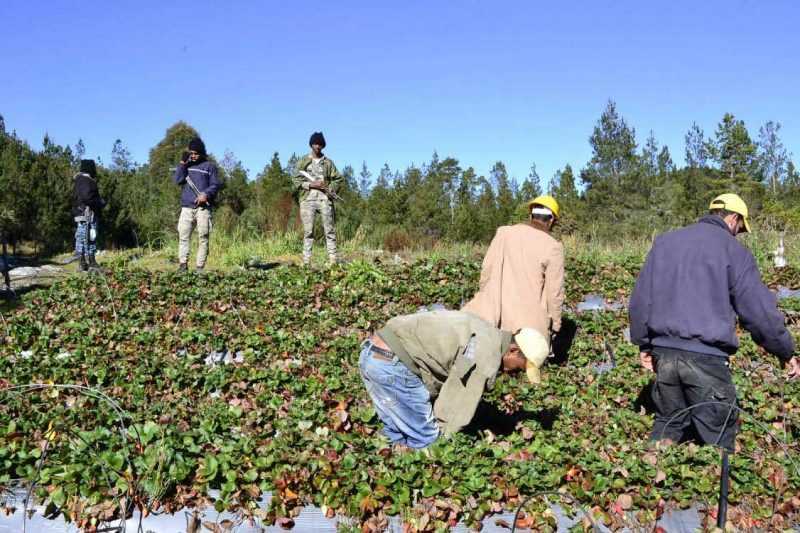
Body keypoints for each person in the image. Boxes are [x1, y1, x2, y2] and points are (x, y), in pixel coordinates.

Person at [629, 193, 800, 451]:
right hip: (706, 359)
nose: (738, 234)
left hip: (663, 355)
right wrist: (784, 350)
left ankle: (651, 482)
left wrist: (643, 344)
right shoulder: (734, 251)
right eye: (740, 228)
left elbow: (641, 298)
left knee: (669, 422)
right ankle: (714, 486)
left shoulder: (665, 242)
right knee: (718, 435)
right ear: (733, 218)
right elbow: (758, 310)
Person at [359, 309, 549, 449]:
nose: (515, 374)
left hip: (372, 354)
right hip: (394, 367)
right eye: (520, 368)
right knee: (428, 443)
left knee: (397, 435)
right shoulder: (487, 356)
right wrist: (444, 445)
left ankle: (391, 467)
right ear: (513, 351)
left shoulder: (484, 329)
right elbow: (454, 411)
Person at [462, 195, 565, 383]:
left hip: (494, 318)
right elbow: (554, 293)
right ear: (551, 220)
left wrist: (488, 299)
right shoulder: (553, 247)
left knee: (489, 371)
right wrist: (556, 325)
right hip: (528, 329)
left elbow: (487, 271)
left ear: (531, 214)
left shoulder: (503, 233)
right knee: (525, 376)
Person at [292, 132, 343, 266]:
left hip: (325, 200)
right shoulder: (303, 161)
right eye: (315, 143)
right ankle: (306, 261)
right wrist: (311, 184)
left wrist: (331, 188)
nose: (318, 146)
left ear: (323, 145)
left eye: (320, 144)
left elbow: (338, 179)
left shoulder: (328, 163)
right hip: (307, 201)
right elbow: (296, 180)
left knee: (329, 230)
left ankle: (333, 260)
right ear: (311, 144)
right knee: (308, 232)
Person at [174, 137, 221, 272]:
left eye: (195, 153)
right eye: (191, 153)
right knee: (183, 236)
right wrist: (182, 163)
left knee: (203, 237)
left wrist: (205, 194)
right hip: (186, 207)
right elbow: (177, 180)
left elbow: (215, 185)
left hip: (203, 209)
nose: (193, 156)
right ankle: (183, 265)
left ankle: (200, 268)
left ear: (201, 153)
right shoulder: (186, 166)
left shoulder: (209, 167)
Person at [72, 159, 105, 272]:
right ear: (90, 168)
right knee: (91, 236)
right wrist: (99, 202)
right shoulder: (86, 180)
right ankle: (91, 262)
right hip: (88, 214)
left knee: (82, 237)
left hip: (82, 213)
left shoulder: (79, 180)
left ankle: (82, 263)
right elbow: (87, 197)